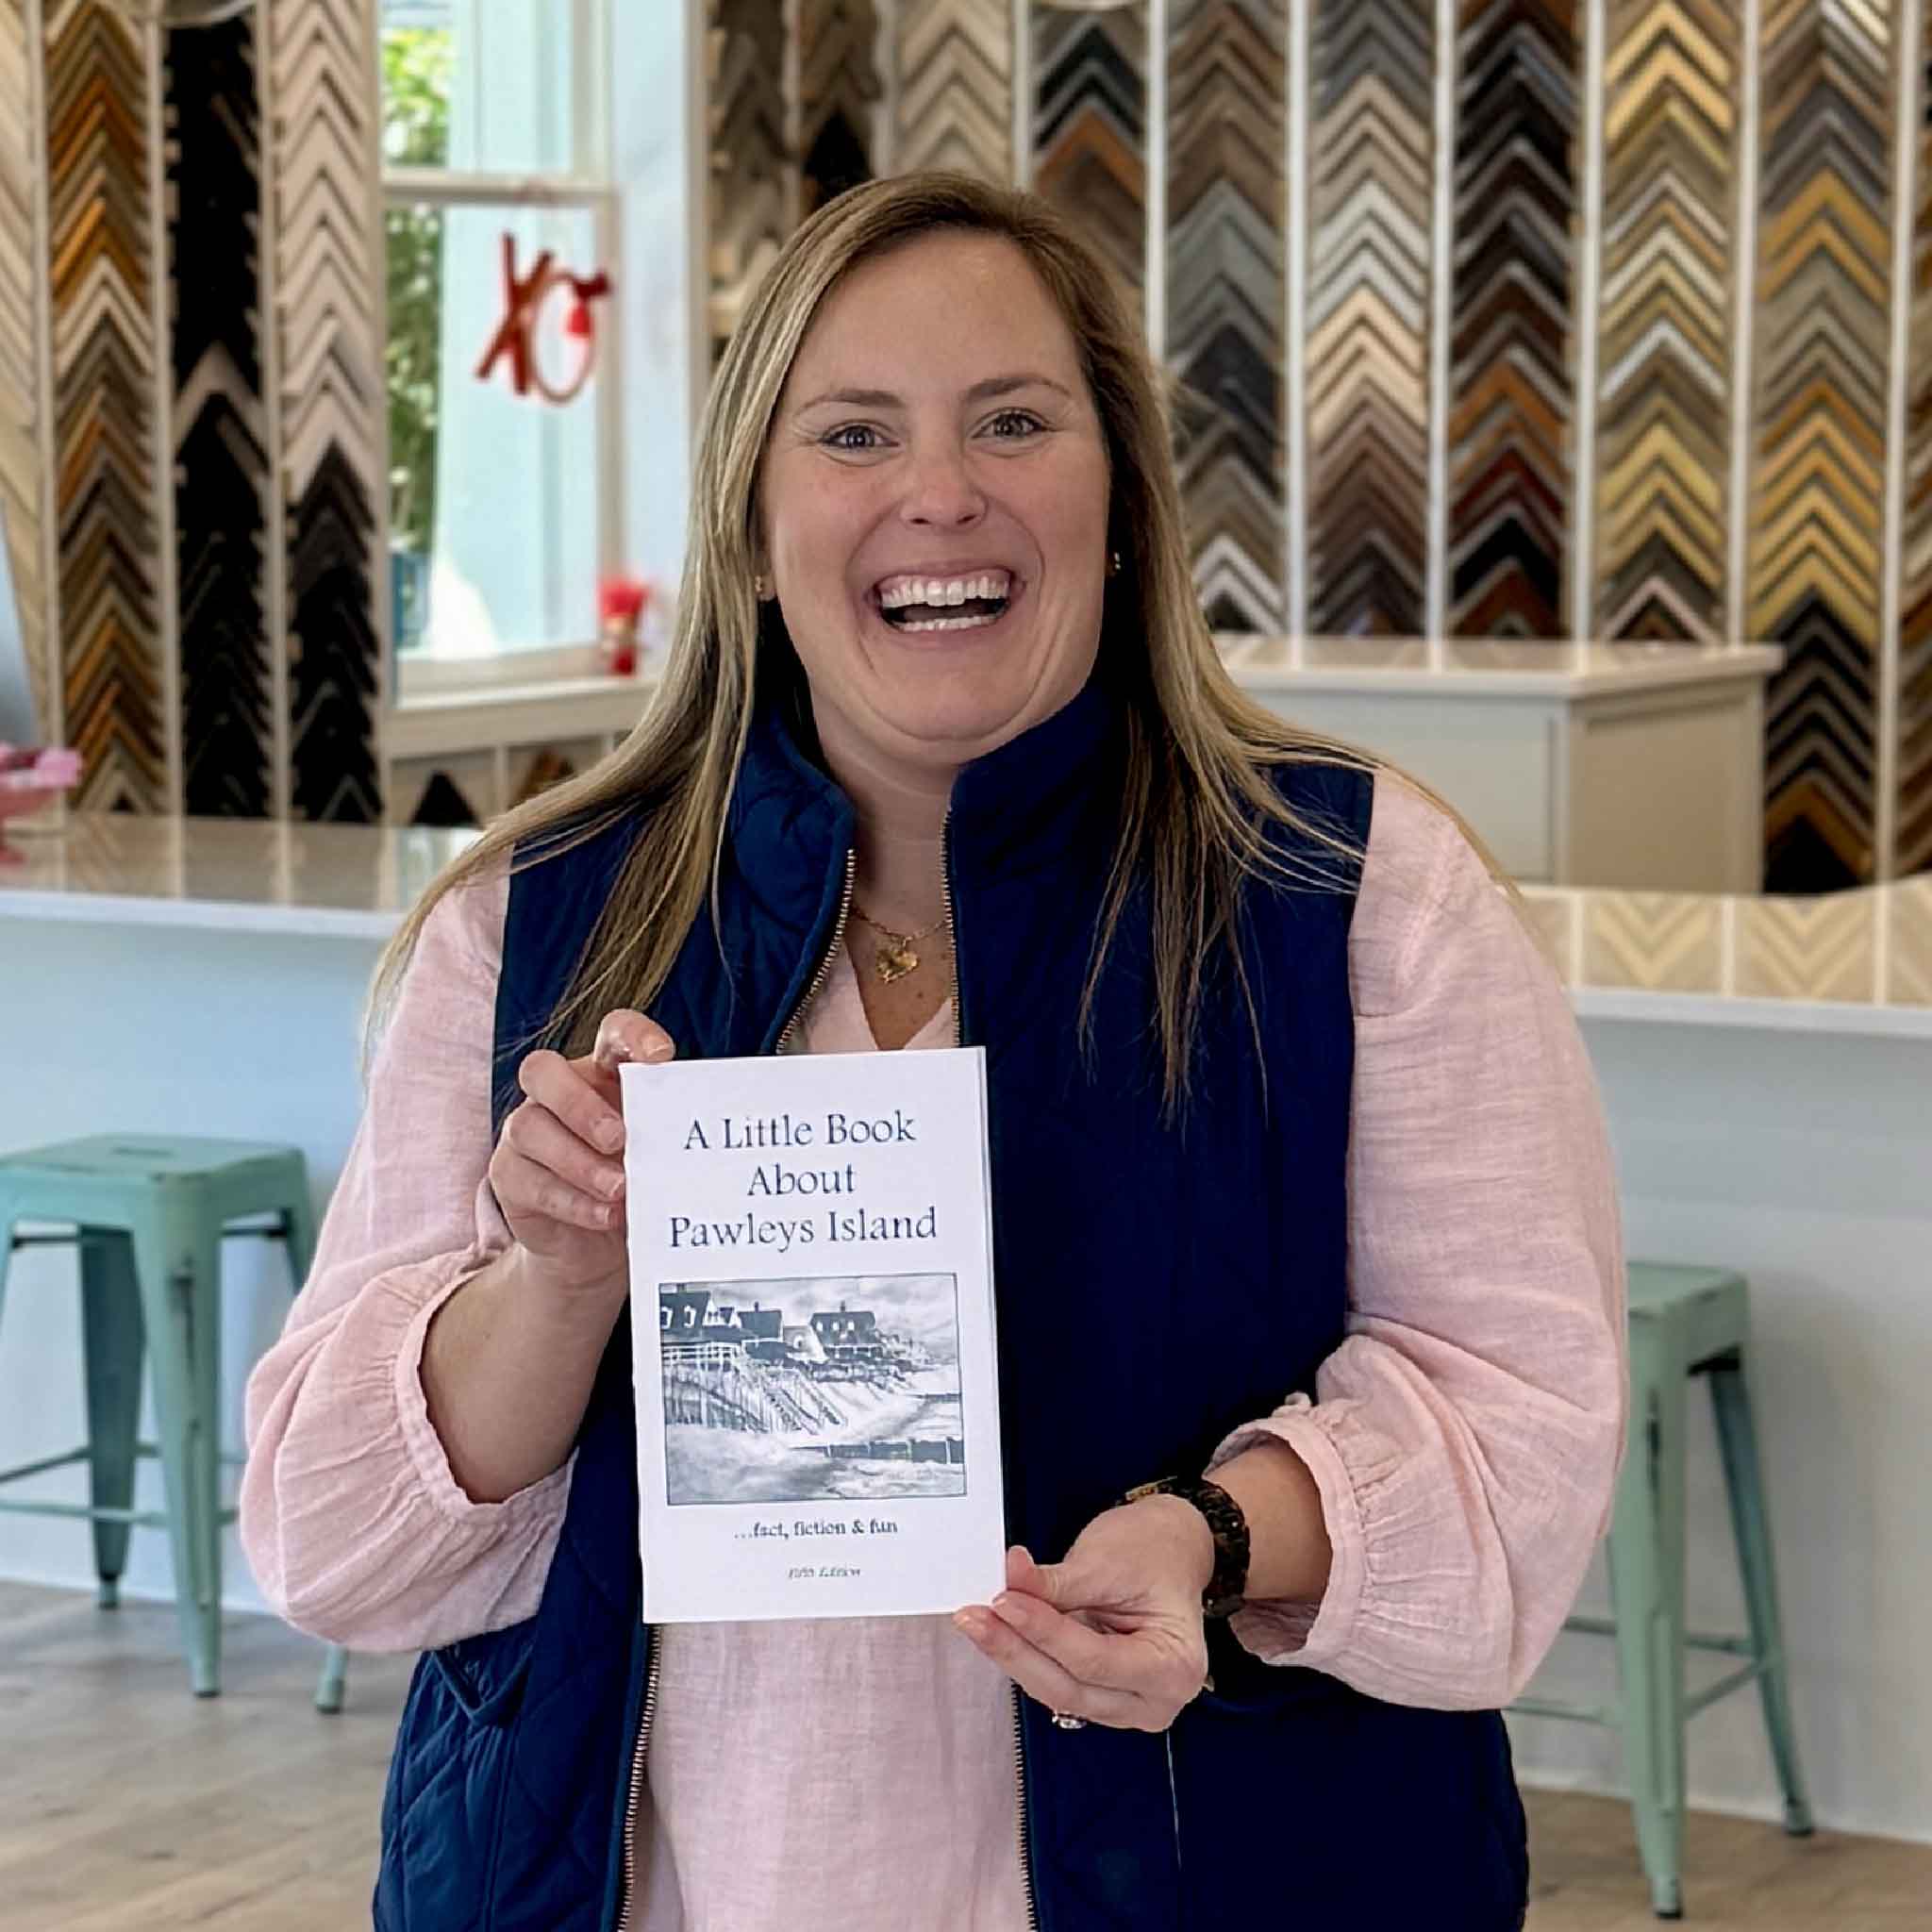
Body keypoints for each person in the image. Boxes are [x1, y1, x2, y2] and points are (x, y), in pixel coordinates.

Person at [242, 172, 1624, 1930]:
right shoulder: (531, 922)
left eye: (1015, 422)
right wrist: (561, 1275)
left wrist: (1217, 1540)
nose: (940, 494)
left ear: (1121, 499)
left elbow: (1518, 1437)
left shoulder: (1355, 895)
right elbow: (335, 1548)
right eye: (854, 432)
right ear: (750, 525)